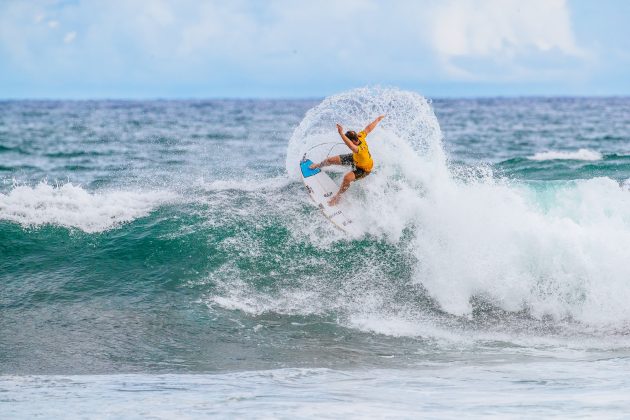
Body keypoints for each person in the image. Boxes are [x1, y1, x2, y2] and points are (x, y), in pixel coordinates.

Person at [310, 115, 385, 205]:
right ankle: (318, 165)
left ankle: (338, 197)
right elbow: (368, 129)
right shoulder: (360, 136)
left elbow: (350, 145)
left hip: (364, 169)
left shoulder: (358, 149)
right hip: (355, 158)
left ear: (353, 141)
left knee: (347, 178)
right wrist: (377, 119)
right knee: (330, 160)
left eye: (349, 141)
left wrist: (341, 133)